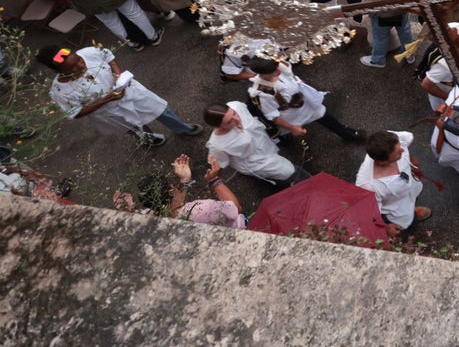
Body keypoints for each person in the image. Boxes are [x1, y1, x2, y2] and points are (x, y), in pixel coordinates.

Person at [37, 44, 201, 146]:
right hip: (109, 112)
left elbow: (108, 56)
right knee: (134, 128)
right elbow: (76, 112)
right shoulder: (60, 91)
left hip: (129, 92)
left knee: (161, 110)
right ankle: (150, 139)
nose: (81, 64)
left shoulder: (88, 52)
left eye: (79, 59)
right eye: (72, 67)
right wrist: (107, 99)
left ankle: (182, 128)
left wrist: (117, 75)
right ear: (60, 71)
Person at [246, 57, 365, 143]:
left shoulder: (276, 68)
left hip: (305, 103)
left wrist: (297, 82)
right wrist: (291, 127)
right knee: (286, 135)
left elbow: (289, 75)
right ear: (263, 74)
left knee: (324, 115)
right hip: (289, 115)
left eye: (277, 67)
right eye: (274, 71)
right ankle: (283, 139)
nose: (279, 71)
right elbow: (273, 116)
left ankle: (346, 133)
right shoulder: (263, 94)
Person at [118, 154, 247, 229]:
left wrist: (185, 180)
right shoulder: (202, 210)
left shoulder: (148, 217)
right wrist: (214, 180)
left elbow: (175, 207)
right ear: (171, 188)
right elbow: (236, 208)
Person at [204, 101, 309, 186]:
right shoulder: (217, 146)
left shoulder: (237, 105)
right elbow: (218, 166)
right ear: (218, 126)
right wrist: (216, 182)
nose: (237, 120)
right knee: (290, 171)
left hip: (265, 143)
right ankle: (310, 184)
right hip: (257, 163)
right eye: (229, 122)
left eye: (234, 113)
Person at [356, 130, 430, 235]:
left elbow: (404, 146)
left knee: (414, 196)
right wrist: (386, 227)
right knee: (409, 222)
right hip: (396, 209)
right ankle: (412, 218)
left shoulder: (390, 140)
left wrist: (411, 159)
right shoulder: (368, 186)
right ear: (382, 162)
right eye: (398, 153)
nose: (402, 150)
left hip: (409, 190)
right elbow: (369, 213)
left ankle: (413, 208)